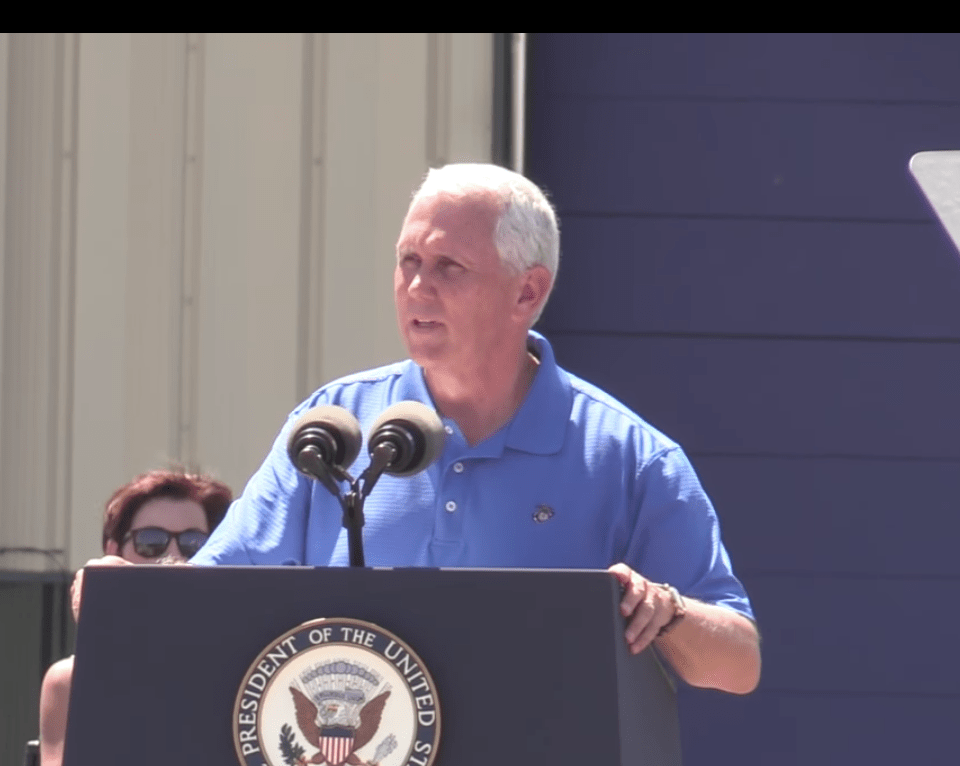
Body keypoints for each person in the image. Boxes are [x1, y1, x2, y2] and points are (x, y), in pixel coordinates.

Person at [184, 162, 761, 695]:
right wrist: (128, 590)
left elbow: (738, 665)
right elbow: (204, 597)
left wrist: (670, 613)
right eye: (407, 261)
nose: (416, 288)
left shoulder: (629, 457)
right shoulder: (333, 428)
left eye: (447, 268)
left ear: (528, 291)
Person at [37, 469, 232, 766]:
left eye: (193, 543)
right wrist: (112, 656)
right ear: (114, 551)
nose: (173, 555)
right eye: (151, 542)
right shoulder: (70, 680)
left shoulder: (237, 667)